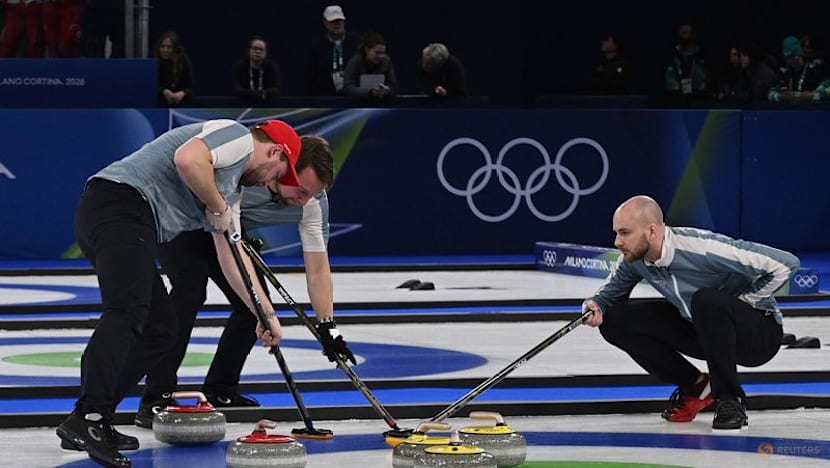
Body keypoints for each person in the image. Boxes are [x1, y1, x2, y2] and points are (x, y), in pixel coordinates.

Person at [55, 119, 305, 467]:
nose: (271, 183)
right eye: (278, 173)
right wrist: (217, 206)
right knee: (127, 312)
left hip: (128, 218)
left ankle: (92, 417)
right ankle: (91, 418)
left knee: (161, 328)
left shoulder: (231, 191)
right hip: (119, 204)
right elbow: (188, 159)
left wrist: (266, 315)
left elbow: (233, 256)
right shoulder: (237, 135)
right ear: (275, 150)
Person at [135, 135, 356, 427]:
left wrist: (328, 325)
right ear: (285, 169)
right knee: (189, 290)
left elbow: (317, 268)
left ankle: (220, 389)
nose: (303, 201)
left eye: (311, 194)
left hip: (231, 232)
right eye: (300, 190)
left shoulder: (313, 202)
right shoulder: (249, 175)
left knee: (253, 306)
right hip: (187, 223)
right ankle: (156, 396)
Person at [582, 195, 798, 430]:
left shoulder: (702, 248)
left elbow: (785, 264)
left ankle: (730, 400)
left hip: (758, 335)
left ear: (651, 231)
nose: (617, 241)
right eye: (616, 233)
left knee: (706, 301)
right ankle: (695, 386)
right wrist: (596, 305)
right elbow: (607, 297)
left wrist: (744, 301)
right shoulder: (636, 258)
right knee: (615, 319)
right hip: (704, 329)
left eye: (624, 233)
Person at [304, 4, 361, 96]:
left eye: (339, 20)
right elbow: (310, 75)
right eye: (333, 21)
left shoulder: (357, 42)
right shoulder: (317, 45)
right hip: (325, 97)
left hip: (353, 96)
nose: (337, 24)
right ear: (325, 23)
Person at [768, 35, 830, 103]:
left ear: (800, 54)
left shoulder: (816, 68)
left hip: (816, 110)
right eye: (787, 58)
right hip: (790, 111)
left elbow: (827, 91)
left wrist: (813, 96)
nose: (791, 61)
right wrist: (781, 97)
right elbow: (770, 93)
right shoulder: (784, 72)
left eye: (794, 56)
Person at [343, 31, 397, 101]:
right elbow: (348, 87)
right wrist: (370, 92)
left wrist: (387, 91)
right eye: (377, 53)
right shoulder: (355, 62)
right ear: (367, 50)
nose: (380, 56)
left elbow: (393, 86)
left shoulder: (387, 61)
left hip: (381, 103)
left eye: (383, 53)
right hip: (357, 104)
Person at [664, 23, 710, 103]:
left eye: (685, 32)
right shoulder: (672, 55)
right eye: (680, 32)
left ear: (693, 35)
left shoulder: (702, 54)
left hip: (699, 99)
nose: (681, 35)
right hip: (675, 100)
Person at [232, 36, 281, 106]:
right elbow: (236, 89)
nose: (258, 51)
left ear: (265, 53)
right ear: (249, 51)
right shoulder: (239, 66)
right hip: (242, 105)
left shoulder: (272, 66)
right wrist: (260, 94)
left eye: (261, 49)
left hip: (267, 105)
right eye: (255, 49)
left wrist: (251, 94)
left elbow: (276, 90)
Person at [155, 31, 194, 107]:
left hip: (181, 104)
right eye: (162, 46)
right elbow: (151, 86)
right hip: (159, 104)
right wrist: (163, 91)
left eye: (169, 47)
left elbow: (190, 87)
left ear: (175, 48)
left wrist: (182, 93)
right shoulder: (155, 62)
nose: (165, 50)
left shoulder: (183, 61)